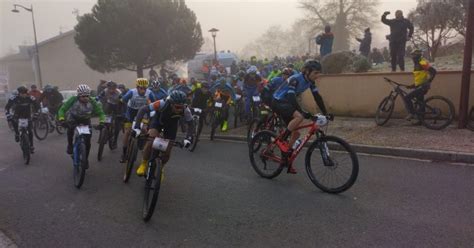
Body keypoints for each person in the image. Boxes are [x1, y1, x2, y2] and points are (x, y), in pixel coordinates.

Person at [272, 60, 328, 174]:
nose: (318, 76)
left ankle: (286, 158)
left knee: (296, 133)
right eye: (316, 73)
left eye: (319, 73)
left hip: (288, 102)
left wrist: (326, 113)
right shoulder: (295, 79)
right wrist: (302, 111)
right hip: (279, 100)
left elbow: (317, 97)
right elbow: (292, 98)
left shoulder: (310, 82)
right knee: (299, 117)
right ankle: (282, 139)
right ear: (307, 71)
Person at [133, 91, 194, 176]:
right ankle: (144, 163)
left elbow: (191, 124)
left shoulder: (186, 110)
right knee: (150, 141)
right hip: (158, 121)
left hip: (171, 126)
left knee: (167, 151)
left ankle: (161, 168)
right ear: (171, 103)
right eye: (177, 107)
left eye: (181, 107)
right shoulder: (162, 103)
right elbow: (143, 109)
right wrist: (137, 127)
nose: (179, 109)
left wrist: (188, 138)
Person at [57, 85, 105, 167]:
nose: (85, 98)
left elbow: (101, 113)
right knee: (70, 128)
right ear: (79, 95)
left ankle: (85, 159)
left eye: (87, 96)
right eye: (83, 96)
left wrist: (101, 123)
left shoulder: (92, 101)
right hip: (73, 118)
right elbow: (62, 109)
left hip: (85, 119)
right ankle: (70, 145)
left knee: (87, 142)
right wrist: (62, 119)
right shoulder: (73, 99)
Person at [119, 78, 154, 162]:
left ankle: (145, 150)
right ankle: (124, 153)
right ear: (137, 88)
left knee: (145, 130)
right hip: (131, 112)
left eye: (145, 88)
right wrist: (122, 113)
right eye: (141, 88)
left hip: (142, 112)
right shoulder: (131, 92)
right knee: (127, 132)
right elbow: (122, 101)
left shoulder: (150, 93)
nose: (143, 90)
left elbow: (154, 104)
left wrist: (152, 114)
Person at [404, 49, 437, 121]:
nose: (412, 58)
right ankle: (421, 120)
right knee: (420, 103)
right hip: (419, 86)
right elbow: (420, 78)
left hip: (423, 86)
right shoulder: (417, 64)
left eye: (413, 56)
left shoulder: (422, 62)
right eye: (412, 56)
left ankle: (412, 113)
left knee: (406, 98)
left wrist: (429, 81)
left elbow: (433, 71)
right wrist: (412, 85)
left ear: (417, 56)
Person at [5, 86, 40, 152]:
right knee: (13, 120)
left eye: (25, 93)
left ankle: (31, 145)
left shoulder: (30, 98)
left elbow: (37, 106)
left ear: (26, 93)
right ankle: (17, 134)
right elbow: (7, 108)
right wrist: (8, 116)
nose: (23, 95)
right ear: (18, 93)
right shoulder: (13, 98)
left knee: (30, 131)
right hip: (17, 115)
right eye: (21, 93)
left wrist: (36, 114)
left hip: (27, 115)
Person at [96, 81, 123, 148]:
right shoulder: (105, 91)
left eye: (113, 88)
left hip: (117, 106)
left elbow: (123, 102)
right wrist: (95, 100)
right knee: (104, 118)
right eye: (109, 88)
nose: (111, 90)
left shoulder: (119, 93)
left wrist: (121, 113)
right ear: (107, 87)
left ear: (115, 88)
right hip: (109, 104)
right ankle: (101, 136)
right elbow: (98, 97)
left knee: (117, 125)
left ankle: (115, 141)